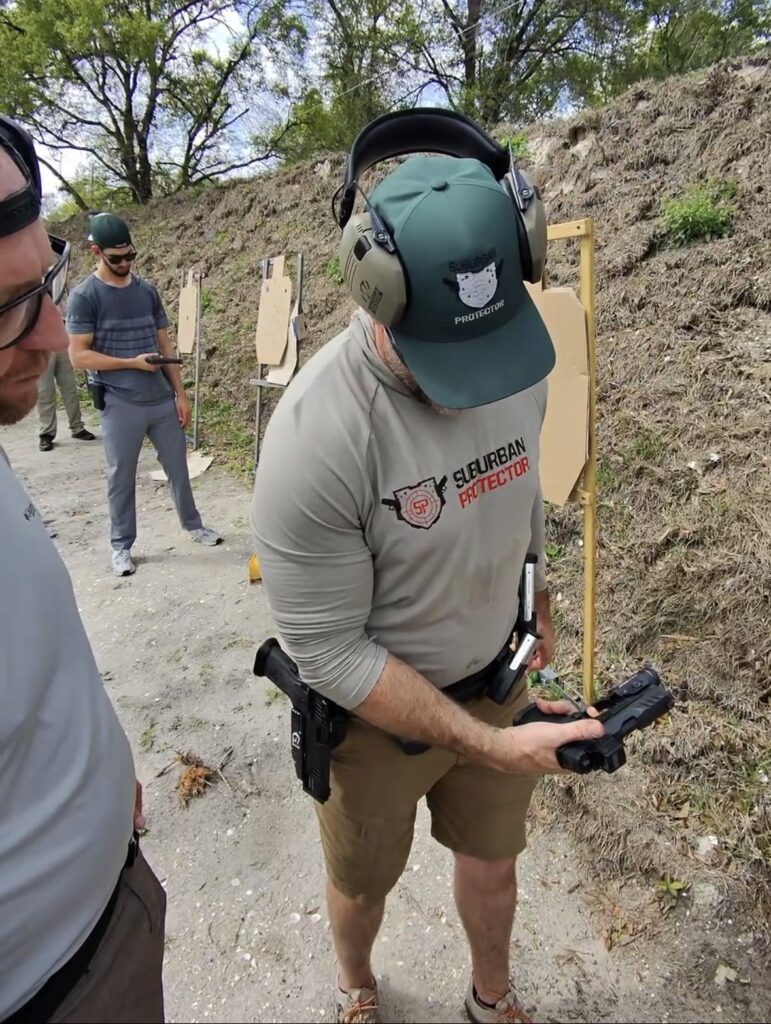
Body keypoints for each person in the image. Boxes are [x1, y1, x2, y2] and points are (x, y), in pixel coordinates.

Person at [251, 110, 604, 1024]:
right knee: (361, 888)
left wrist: (539, 608)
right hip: (373, 723)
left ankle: (492, 998)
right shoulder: (314, 438)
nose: (474, 383)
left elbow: (519, 499)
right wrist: (490, 743)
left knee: (494, 866)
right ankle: (358, 987)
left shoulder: (514, 359)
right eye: (442, 356)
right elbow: (329, 652)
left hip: (498, 680)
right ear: (374, 292)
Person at [0, 116, 166, 1022]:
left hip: (107, 906)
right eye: (7, 307)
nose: (51, 330)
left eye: (45, 283)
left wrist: (96, 772)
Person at [67, 211, 221, 577]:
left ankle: (193, 525)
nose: (124, 263)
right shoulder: (84, 296)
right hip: (120, 401)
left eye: (129, 256)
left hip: (160, 399)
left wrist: (180, 394)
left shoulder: (146, 291)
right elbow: (78, 356)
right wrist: (131, 363)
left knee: (179, 468)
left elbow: (164, 341)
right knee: (120, 476)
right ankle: (121, 546)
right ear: (96, 253)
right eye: (115, 258)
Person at [36, 295, 96, 451]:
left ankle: (77, 427)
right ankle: (46, 433)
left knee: (69, 387)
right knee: (44, 391)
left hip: (61, 336)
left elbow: (66, 311)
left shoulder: (56, 283)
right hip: (40, 343)